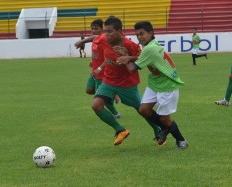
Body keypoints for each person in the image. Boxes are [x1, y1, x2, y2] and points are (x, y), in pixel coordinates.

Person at [75, 16, 164, 146]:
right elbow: (95, 37)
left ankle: (158, 128)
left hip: (127, 83)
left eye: (110, 31)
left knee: (141, 109)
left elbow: (142, 57)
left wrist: (129, 57)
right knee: (96, 105)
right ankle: (120, 130)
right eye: (105, 31)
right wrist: (82, 42)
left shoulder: (129, 44)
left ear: (119, 31)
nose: (107, 34)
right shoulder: (104, 38)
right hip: (109, 81)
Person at [116, 21, 188, 150]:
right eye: (137, 35)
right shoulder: (150, 45)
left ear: (151, 33)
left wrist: (125, 57)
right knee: (143, 109)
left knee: (165, 118)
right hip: (155, 83)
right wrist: (129, 57)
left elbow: (132, 69)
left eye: (142, 34)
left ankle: (181, 141)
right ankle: (165, 129)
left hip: (167, 85)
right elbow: (142, 57)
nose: (139, 37)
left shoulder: (150, 48)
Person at [85, 19, 120, 119]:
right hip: (94, 72)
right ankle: (113, 93)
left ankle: (116, 114)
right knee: (88, 90)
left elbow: (109, 58)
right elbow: (98, 55)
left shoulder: (105, 42)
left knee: (101, 97)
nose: (93, 30)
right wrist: (93, 61)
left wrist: (100, 68)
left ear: (102, 29)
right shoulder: (95, 41)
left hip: (102, 74)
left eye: (96, 28)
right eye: (92, 28)